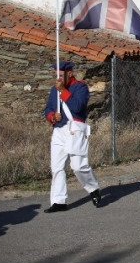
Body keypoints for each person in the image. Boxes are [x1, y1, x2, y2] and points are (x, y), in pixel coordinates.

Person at [43, 61, 101, 213]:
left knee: (78, 166)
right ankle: (58, 201)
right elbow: (48, 108)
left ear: (70, 74)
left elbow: (78, 106)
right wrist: (52, 117)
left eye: (61, 76)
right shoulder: (54, 89)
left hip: (74, 130)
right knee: (57, 167)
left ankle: (93, 188)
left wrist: (63, 90)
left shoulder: (80, 87)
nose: (58, 79)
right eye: (57, 76)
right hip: (59, 131)